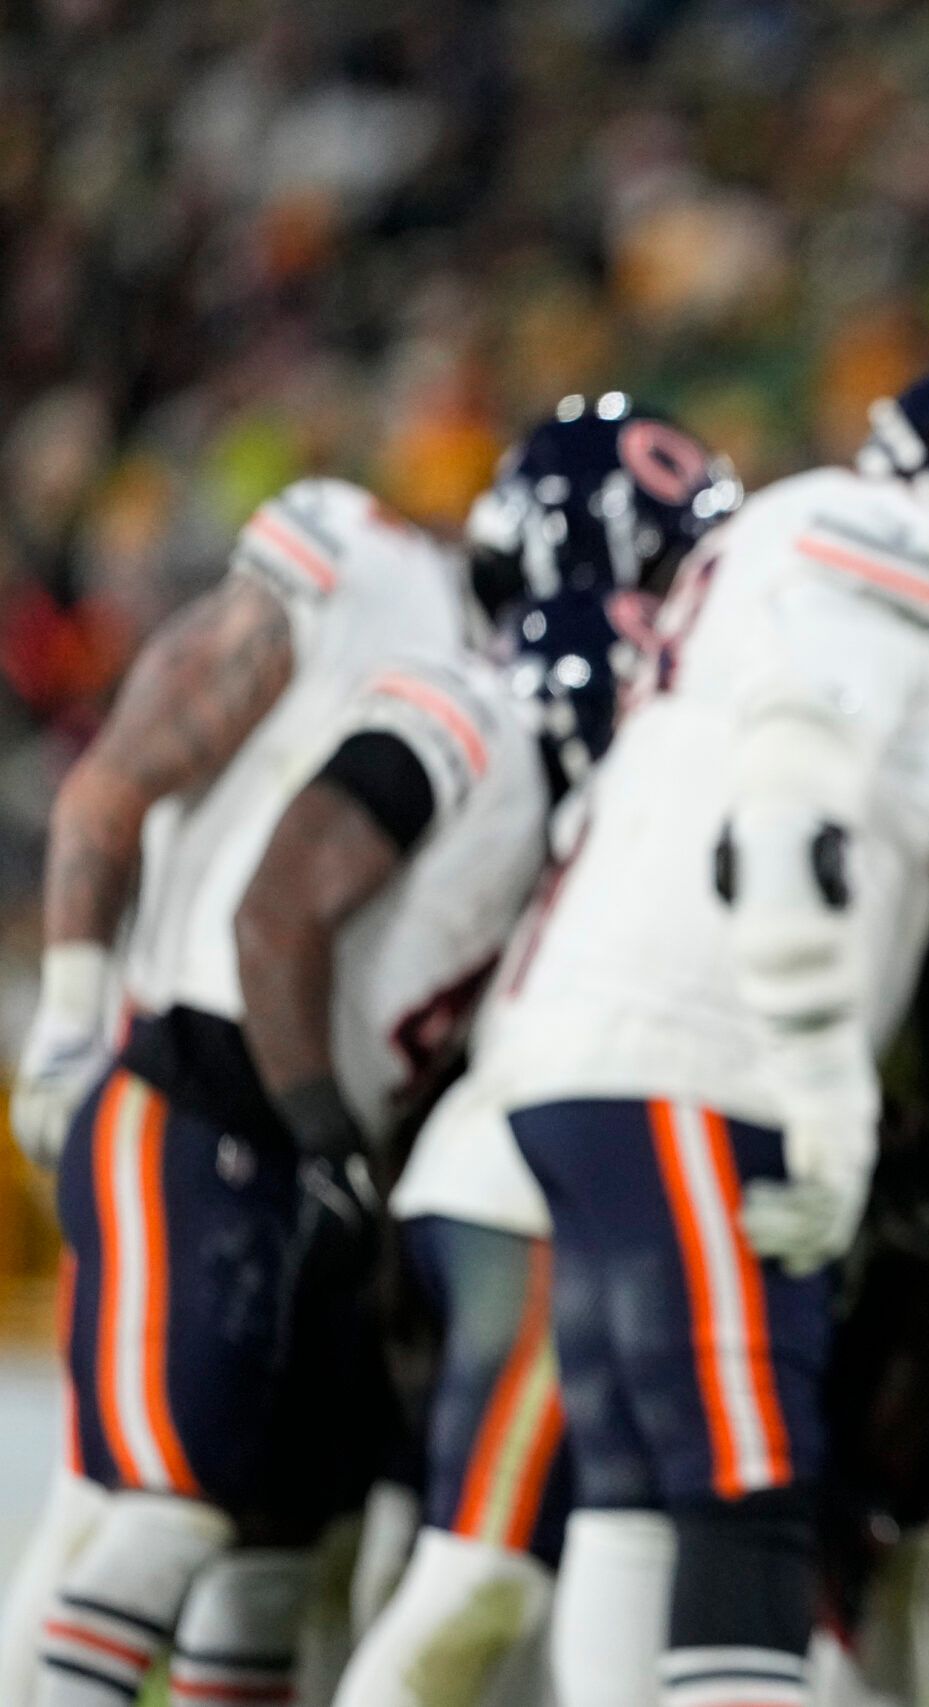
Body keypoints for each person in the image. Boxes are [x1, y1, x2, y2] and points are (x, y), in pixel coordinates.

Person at [473, 349, 929, 1707]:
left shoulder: (807, 539)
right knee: (754, 1490)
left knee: (643, 1488)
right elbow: (790, 790)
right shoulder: (879, 534)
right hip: (700, 1045)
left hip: (602, 1046)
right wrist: (822, 1072)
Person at [15, 464, 556, 1707]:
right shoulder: (382, 578)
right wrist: (70, 1006)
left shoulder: (515, 708)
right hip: (204, 1085)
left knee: (271, 1546)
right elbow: (116, 779)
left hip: (312, 1130)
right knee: (151, 1512)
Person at [336, 400, 736, 1707]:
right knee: (488, 1569)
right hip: (557, 1154)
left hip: (499, 1135)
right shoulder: (644, 670)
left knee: (513, 1554)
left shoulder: (537, 659)